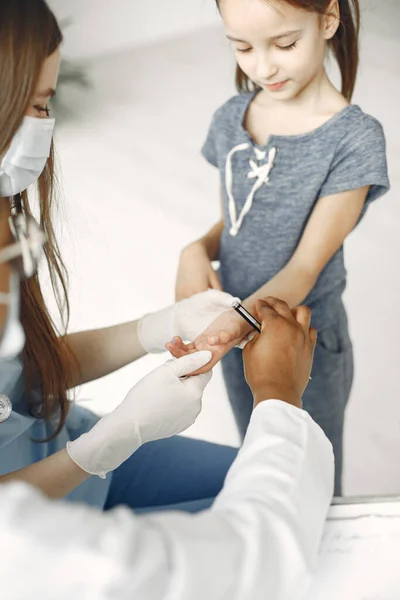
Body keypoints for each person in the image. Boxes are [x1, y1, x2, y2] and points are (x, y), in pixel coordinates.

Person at [0, 0, 241, 513]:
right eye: (40, 104)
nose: (47, 124)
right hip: (31, 521)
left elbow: (28, 372)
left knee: (265, 487)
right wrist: (110, 441)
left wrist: (157, 326)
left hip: (63, 449)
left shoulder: (8, 217)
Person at [0, 273, 335, 599]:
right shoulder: (57, 562)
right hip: (66, 497)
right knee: (320, 529)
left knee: (314, 502)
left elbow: (29, 367)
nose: (19, 273)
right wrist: (279, 391)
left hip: (76, 446)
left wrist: (156, 326)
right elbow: (262, 555)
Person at [173, 0, 390, 494]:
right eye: (243, 47)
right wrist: (196, 248)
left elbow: (305, 268)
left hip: (299, 342)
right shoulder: (233, 116)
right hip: (233, 328)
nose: (263, 67)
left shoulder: (353, 140)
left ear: (329, 19)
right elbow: (238, 214)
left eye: (285, 44)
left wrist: (224, 331)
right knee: (257, 457)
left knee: (310, 473)